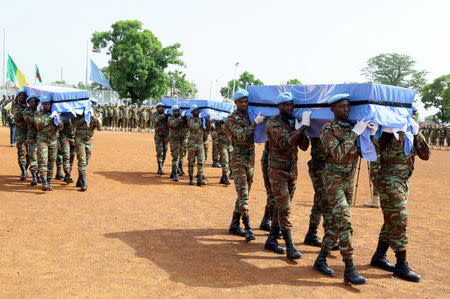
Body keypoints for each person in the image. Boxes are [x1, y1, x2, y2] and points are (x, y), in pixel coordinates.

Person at [313, 93, 369, 285]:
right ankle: (349, 268)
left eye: (348, 106)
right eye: (342, 107)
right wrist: (355, 134)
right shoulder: (328, 129)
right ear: (332, 109)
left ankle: (320, 259)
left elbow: (363, 152)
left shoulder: (352, 128)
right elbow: (337, 153)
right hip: (333, 179)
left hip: (347, 180)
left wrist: (369, 135)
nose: (346, 110)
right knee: (345, 221)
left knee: (337, 225)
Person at [369, 114, 430, 282]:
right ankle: (401, 264)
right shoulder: (385, 132)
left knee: (392, 219)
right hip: (389, 181)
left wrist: (417, 133)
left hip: (403, 181)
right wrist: (374, 135)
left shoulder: (410, 132)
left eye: (413, 114)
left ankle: (379, 257)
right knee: (399, 219)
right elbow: (373, 158)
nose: (411, 117)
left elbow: (425, 154)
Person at [265, 92, 310, 259]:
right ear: (279, 106)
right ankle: (290, 247)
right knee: (285, 208)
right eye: (286, 105)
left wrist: (301, 129)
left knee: (279, 207)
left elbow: (304, 146)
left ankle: (271, 239)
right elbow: (284, 143)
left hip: (291, 172)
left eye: (292, 105)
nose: (290, 108)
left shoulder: (292, 124)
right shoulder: (273, 123)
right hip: (277, 172)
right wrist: (303, 127)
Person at [226, 90, 265, 242]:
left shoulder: (249, 115)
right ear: (235, 103)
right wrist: (255, 123)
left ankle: (234, 224)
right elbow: (242, 136)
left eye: (246, 101)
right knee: (243, 192)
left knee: (245, 192)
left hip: (249, 158)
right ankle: (247, 227)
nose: (244, 104)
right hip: (238, 159)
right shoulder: (232, 119)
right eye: (241, 102)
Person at [35, 96, 63, 191]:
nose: (47, 106)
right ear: (42, 104)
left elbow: (60, 127)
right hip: (42, 140)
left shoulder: (55, 113)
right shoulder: (38, 113)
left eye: (49, 104)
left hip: (53, 140)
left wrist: (58, 119)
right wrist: (50, 118)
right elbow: (39, 125)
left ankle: (48, 181)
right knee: (43, 160)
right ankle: (43, 181)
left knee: (51, 162)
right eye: (45, 104)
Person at [73, 99, 101, 191]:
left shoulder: (97, 114)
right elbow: (74, 124)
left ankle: (79, 179)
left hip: (89, 140)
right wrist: (84, 116)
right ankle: (84, 182)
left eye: (93, 106)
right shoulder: (79, 113)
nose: (92, 107)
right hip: (79, 139)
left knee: (87, 160)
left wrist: (92, 116)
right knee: (82, 160)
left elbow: (99, 127)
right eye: (90, 105)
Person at [11, 90, 29, 180]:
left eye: (24, 95)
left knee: (30, 153)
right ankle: (23, 172)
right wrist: (28, 110)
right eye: (20, 95)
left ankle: (25, 170)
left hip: (30, 133)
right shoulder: (15, 105)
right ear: (17, 96)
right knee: (22, 152)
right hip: (20, 132)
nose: (22, 97)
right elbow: (17, 115)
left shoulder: (30, 104)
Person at [22, 95, 40, 186]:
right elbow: (32, 121)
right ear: (28, 103)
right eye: (31, 101)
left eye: (35, 101)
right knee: (33, 156)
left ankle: (38, 175)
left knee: (41, 157)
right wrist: (38, 113)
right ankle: (34, 177)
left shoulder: (41, 110)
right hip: (32, 137)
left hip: (41, 138)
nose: (33, 103)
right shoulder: (26, 111)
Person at [186, 105, 206, 186]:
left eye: (198, 110)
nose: (197, 112)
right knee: (191, 162)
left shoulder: (202, 119)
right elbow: (194, 127)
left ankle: (200, 179)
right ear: (192, 112)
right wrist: (201, 120)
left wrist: (207, 121)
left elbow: (208, 129)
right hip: (192, 144)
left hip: (200, 144)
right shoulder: (190, 120)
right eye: (195, 110)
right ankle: (191, 178)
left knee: (201, 162)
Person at [168, 105, 187, 182]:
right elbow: (174, 124)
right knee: (175, 156)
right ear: (172, 111)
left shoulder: (184, 118)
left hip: (183, 139)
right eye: (174, 111)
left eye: (177, 111)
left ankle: (176, 170)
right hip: (174, 140)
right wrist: (181, 117)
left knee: (182, 154)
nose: (176, 112)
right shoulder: (170, 118)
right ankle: (175, 173)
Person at [153, 103, 169, 174]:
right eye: (159, 107)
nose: (161, 108)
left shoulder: (167, 114)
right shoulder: (155, 114)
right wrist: (164, 115)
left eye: (162, 107)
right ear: (157, 108)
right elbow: (156, 120)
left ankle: (161, 166)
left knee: (165, 152)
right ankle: (159, 167)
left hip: (166, 135)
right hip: (158, 136)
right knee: (159, 152)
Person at [216, 118, 231, 185]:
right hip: (222, 143)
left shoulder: (231, 121)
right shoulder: (219, 123)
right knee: (225, 159)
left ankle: (223, 177)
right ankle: (226, 177)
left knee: (231, 160)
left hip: (230, 144)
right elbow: (218, 131)